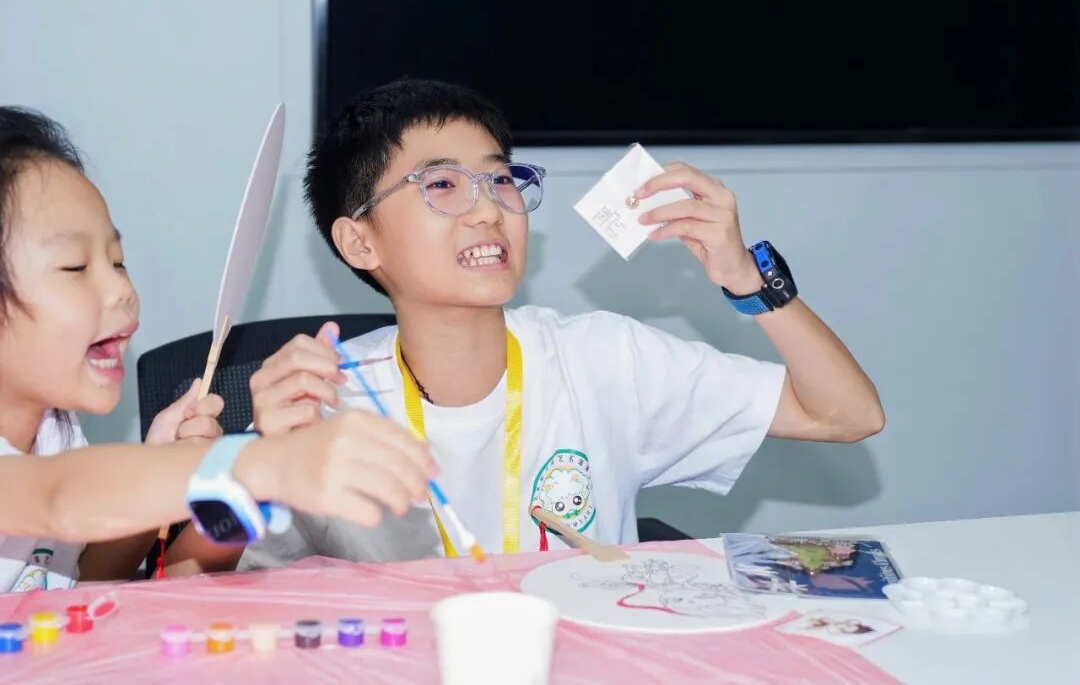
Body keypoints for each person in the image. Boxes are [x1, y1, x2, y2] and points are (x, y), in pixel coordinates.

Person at [238, 78, 884, 570]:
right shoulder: (322, 395)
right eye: (442, 185)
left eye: (501, 180)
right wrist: (239, 462)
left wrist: (746, 278)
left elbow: (846, 415)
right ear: (359, 243)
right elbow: (197, 579)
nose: (488, 211)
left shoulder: (601, 357)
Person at [0, 106, 435, 589]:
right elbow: (59, 496)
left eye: (118, 262)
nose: (122, 290)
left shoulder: (55, 429)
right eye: (75, 266)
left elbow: (83, 583)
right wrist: (263, 465)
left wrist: (161, 463)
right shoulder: (51, 478)